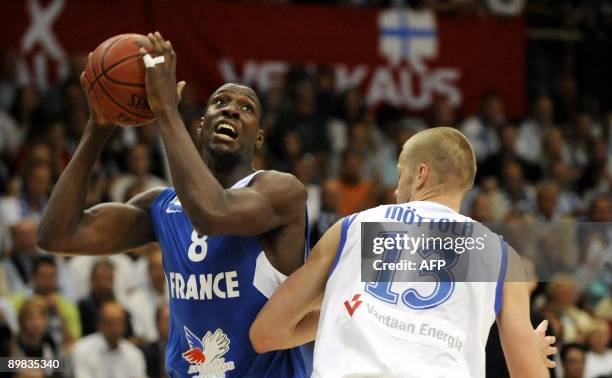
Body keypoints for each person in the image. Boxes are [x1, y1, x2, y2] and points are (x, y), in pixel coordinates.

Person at [37, 31, 308, 377]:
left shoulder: (281, 191)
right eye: (220, 102)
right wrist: (100, 125)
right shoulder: (161, 207)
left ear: (258, 138)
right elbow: (56, 236)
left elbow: (213, 213)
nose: (231, 110)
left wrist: (165, 109)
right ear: (200, 126)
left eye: (246, 108)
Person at [250, 127, 555, 377]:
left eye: (400, 175)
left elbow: (266, 333)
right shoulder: (500, 256)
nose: (397, 189)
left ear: (420, 174)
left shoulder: (355, 228)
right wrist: (533, 360)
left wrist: (341, 309)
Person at [71, 301, 146, 378]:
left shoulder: (134, 353)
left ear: (125, 325)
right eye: (110, 323)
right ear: (99, 324)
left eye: (118, 323)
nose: (114, 328)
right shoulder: (82, 349)